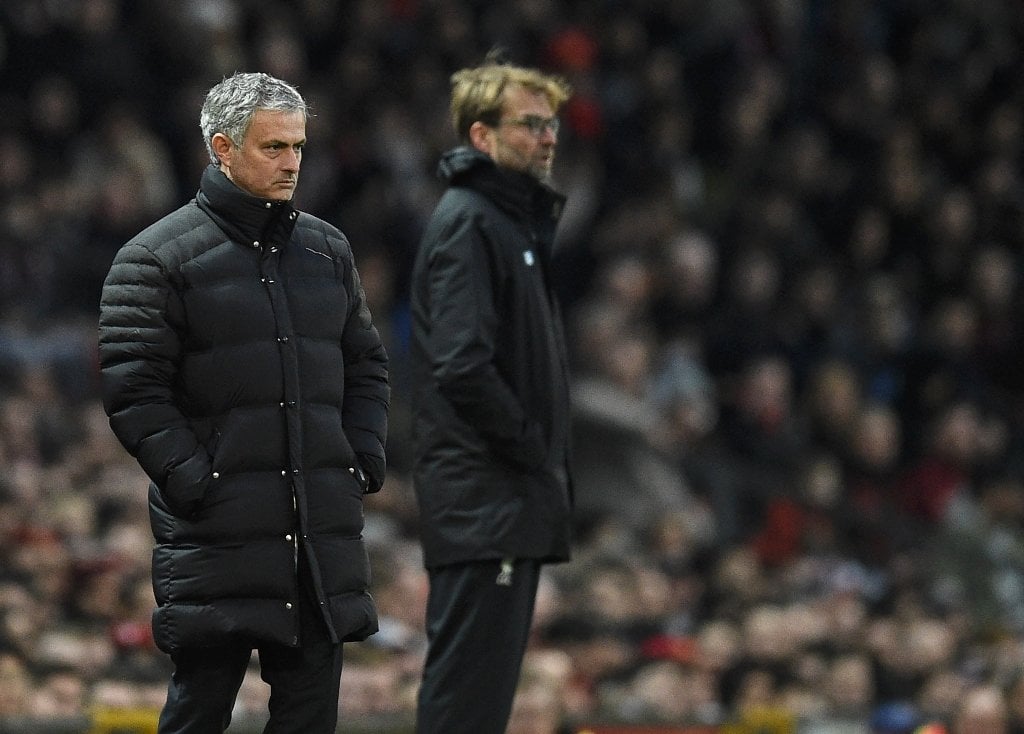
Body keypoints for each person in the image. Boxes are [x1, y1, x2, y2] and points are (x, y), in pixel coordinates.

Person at [97, 72, 389, 733]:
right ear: (222, 149)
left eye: (298, 147)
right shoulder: (152, 259)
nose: (292, 163)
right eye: (274, 147)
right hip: (215, 536)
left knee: (310, 718)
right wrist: (198, 483)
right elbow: (133, 392)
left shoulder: (327, 249)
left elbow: (366, 365)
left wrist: (361, 457)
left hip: (318, 534)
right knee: (198, 713)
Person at [409, 51, 575, 733]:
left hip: (503, 499)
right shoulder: (471, 222)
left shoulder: (507, 223)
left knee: (483, 696)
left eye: (551, 123)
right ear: (482, 135)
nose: (548, 137)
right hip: (487, 498)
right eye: (531, 123)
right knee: (466, 698)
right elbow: (461, 364)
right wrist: (530, 447)